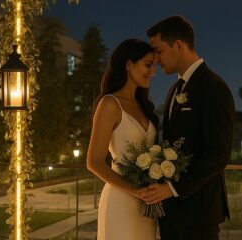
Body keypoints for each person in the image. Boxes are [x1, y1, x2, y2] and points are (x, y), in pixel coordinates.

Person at [140, 16, 235, 240]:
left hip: (199, 213)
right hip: (171, 213)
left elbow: (218, 154)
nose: (156, 59)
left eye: (158, 51)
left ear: (178, 45)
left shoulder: (213, 87)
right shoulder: (174, 89)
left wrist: (171, 188)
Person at [86, 38, 158, 240]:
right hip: (121, 200)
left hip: (147, 205)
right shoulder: (109, 104)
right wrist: (136, 191)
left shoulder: (144, 106)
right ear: (128, 64)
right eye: (148, 65)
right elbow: (94, 162)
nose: (153, 72)